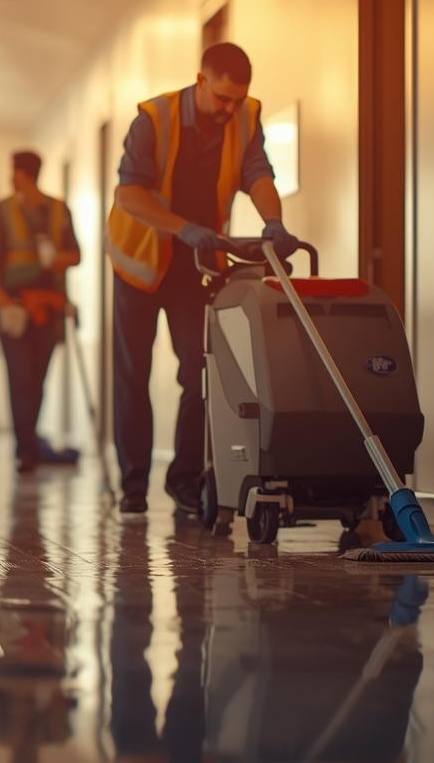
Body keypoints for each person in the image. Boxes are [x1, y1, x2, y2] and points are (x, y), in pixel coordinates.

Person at [106, 42, 302, 514]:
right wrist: (183, 228)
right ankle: (134, 486)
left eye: (238, 99)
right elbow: (130, 193)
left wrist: (273, 222)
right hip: (140, 260)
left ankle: (185, 480)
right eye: (221, 99)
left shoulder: (245, 117)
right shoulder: (153, 120)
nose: (229, 109)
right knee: (134, 374)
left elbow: (256, 174)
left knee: (199, 370)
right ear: (201, 82)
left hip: (196, 263)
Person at [0, 151, 81, 474]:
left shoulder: (58, 210)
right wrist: (4, 304)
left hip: (48, 310)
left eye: (14, 171)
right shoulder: (2, 212)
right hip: (16, 309)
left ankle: (29, 444)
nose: (12, 178)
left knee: (37, 379)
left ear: (24, 174)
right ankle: (25, 449)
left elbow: (76, 255)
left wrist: (57, 259)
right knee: (20, 377)